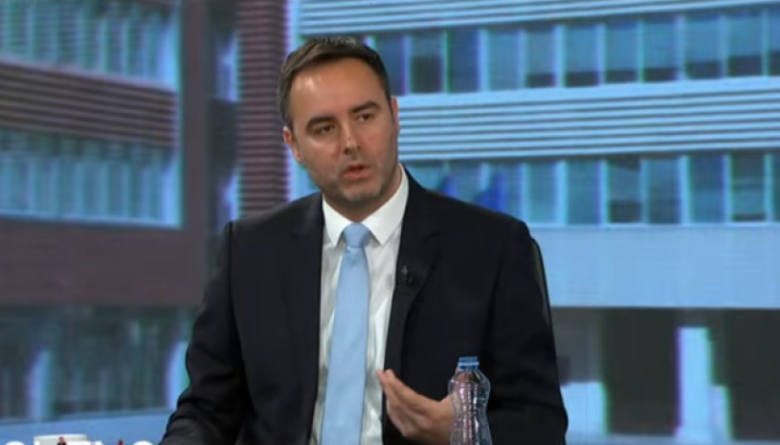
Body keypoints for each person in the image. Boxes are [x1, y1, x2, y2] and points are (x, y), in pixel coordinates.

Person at [159, 37, 568, 445]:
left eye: (365, 117)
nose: (350, 143)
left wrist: (463, 432)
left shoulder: (491, 249)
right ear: (294, 145)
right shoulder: (250, 251)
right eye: (324, 128)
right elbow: (206, 411)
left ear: (394, 116)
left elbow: (541, 424)